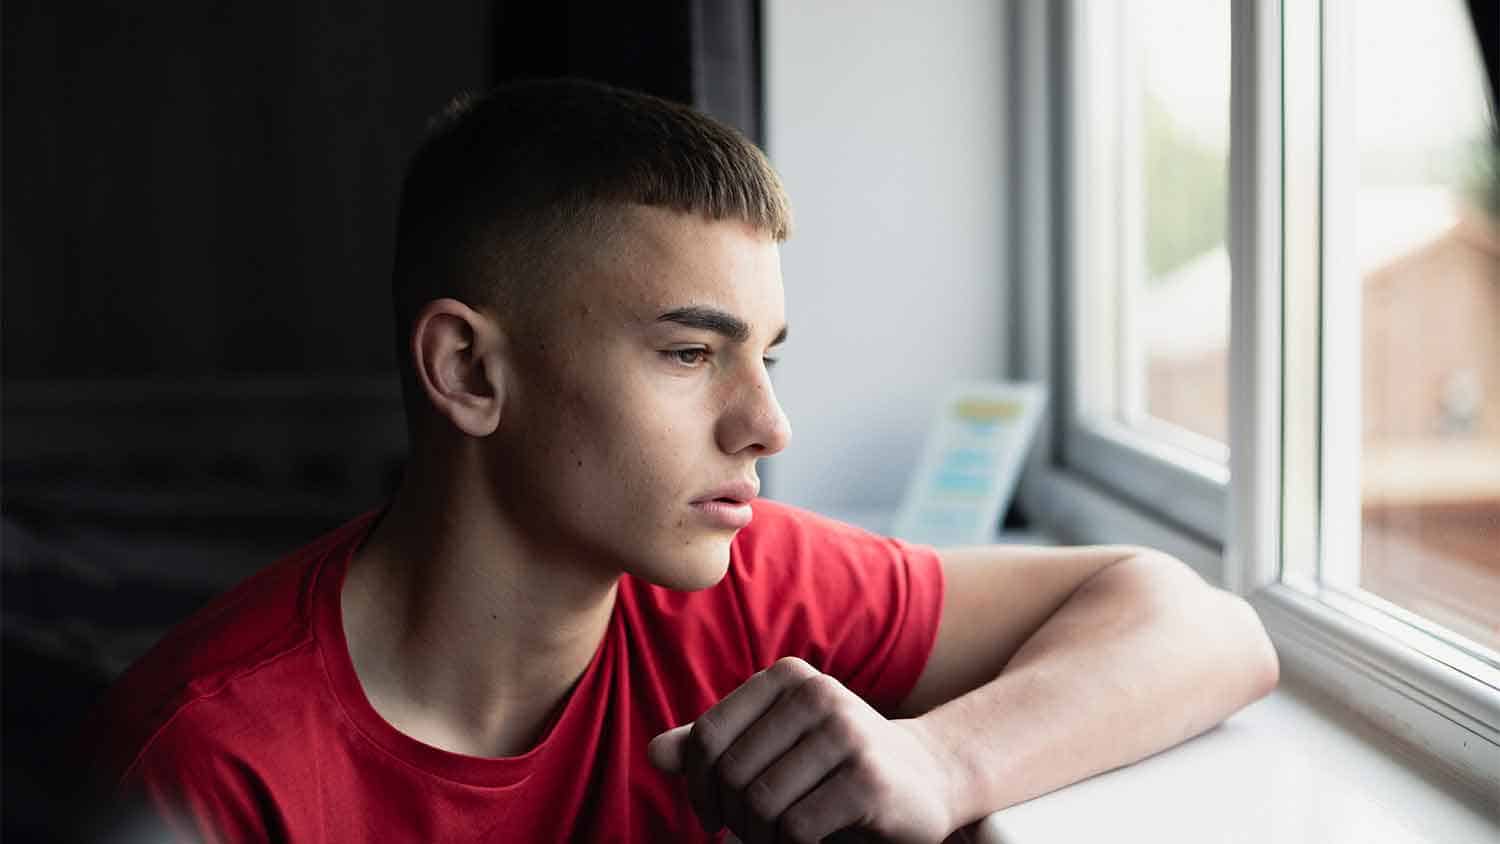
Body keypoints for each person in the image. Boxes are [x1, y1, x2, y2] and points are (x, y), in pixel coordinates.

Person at [76, 78, 1279, 843]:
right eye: (691, 354)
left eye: (769, 356)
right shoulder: (209, 763)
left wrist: (941, 759)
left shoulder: (739, 588)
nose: (768, 424)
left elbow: (1208, 627)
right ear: (470, 373)